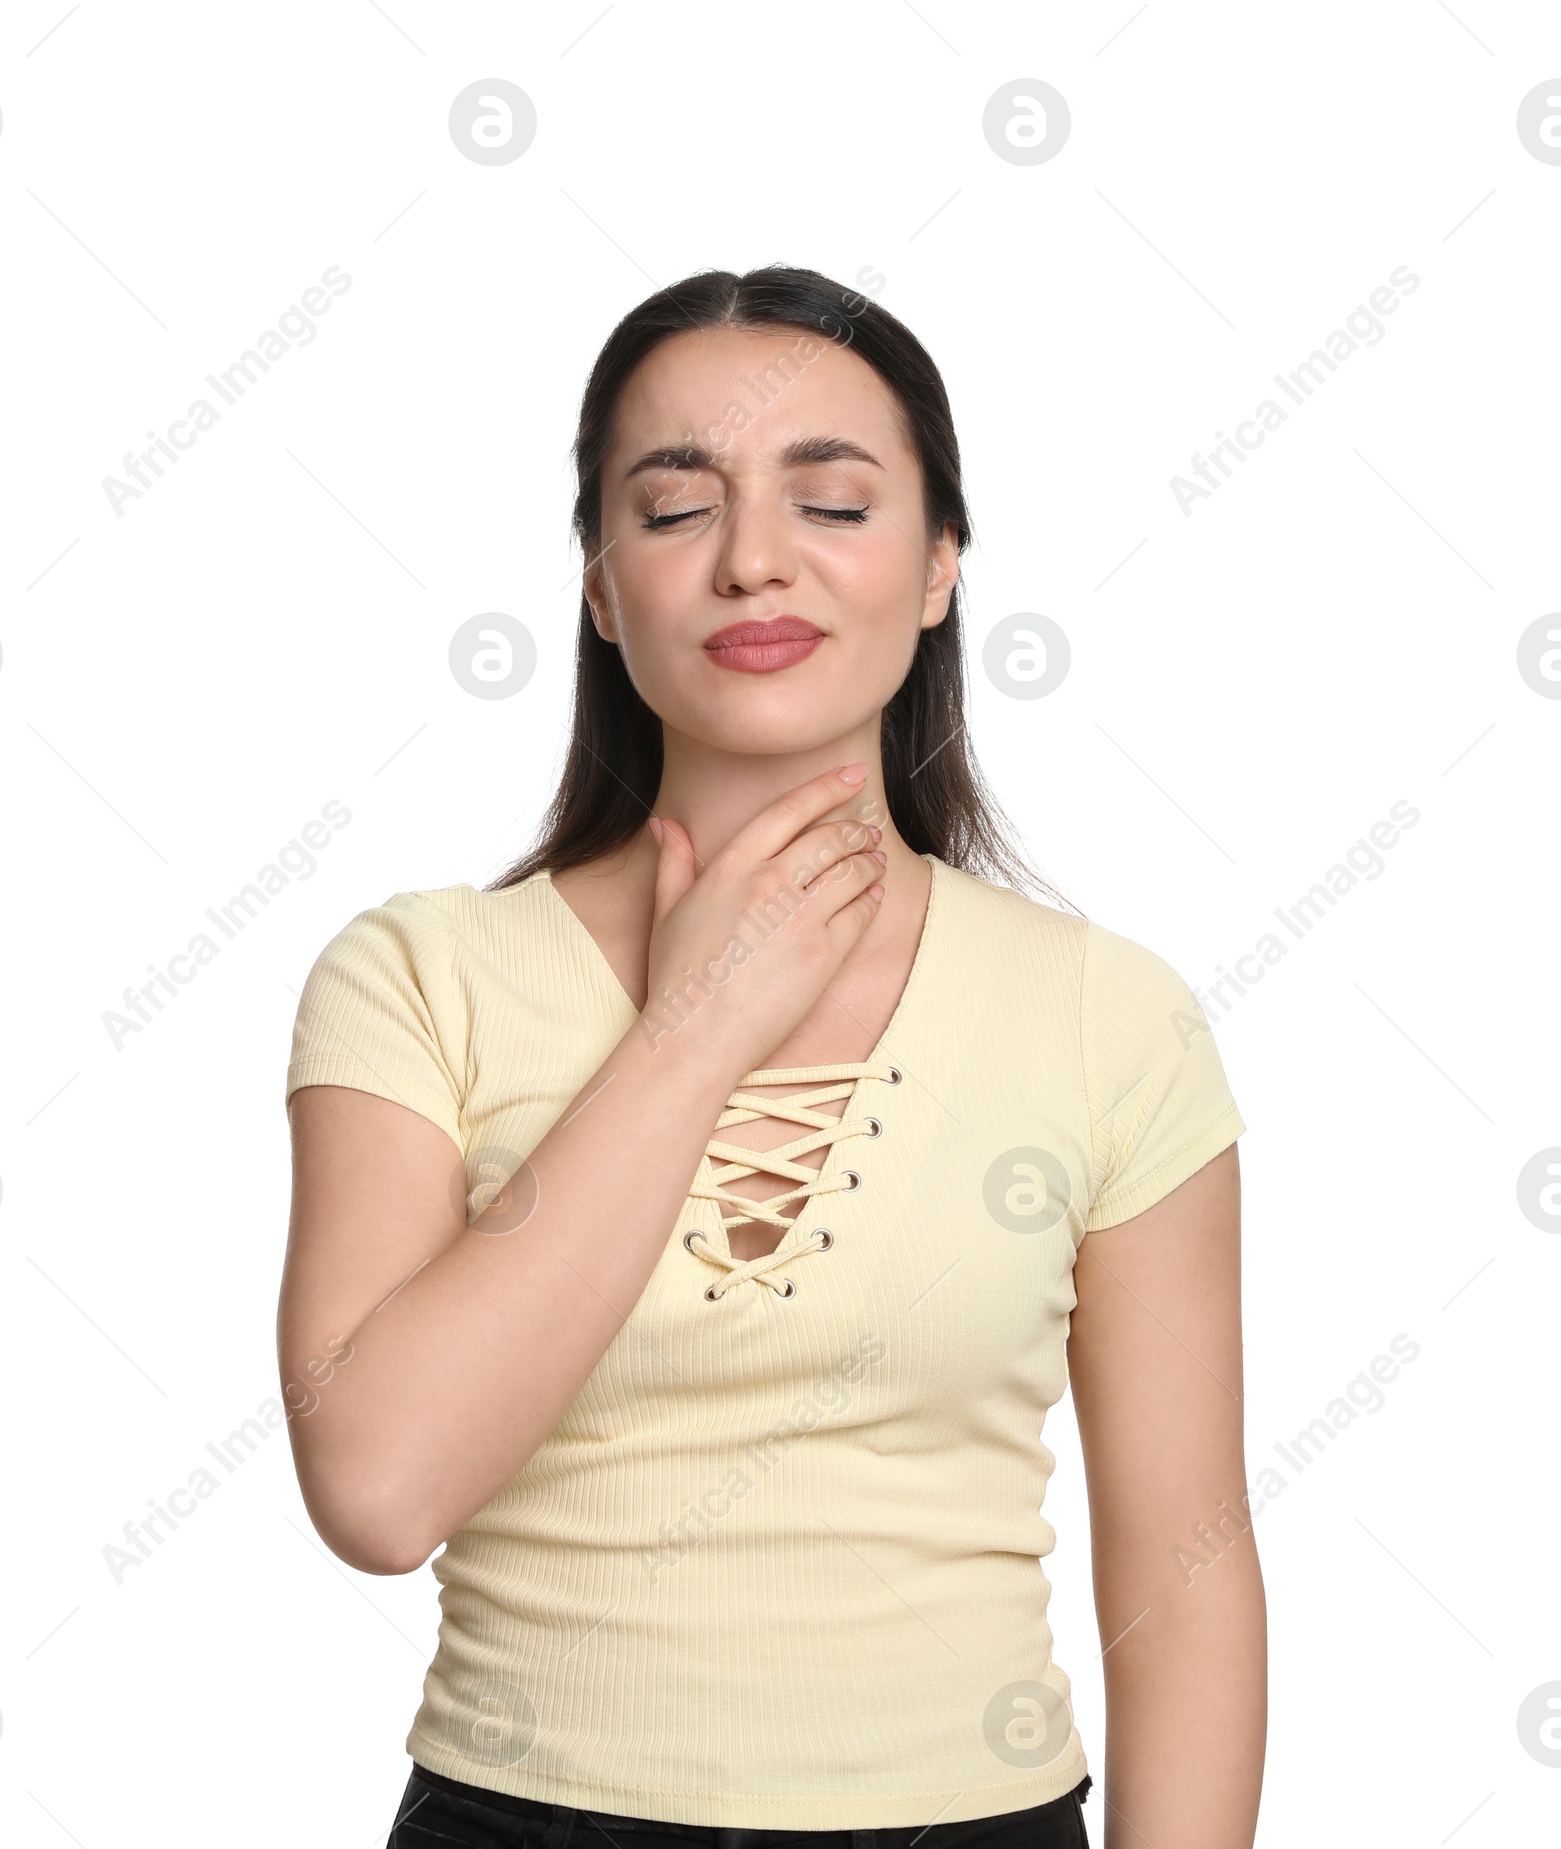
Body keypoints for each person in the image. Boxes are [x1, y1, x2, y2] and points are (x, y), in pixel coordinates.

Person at [279, 266, 1267, 1849]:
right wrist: (696, 1027)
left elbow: (1181, 1569)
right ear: (601, 583)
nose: (753, 560)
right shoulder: (419, 978)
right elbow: (381, 1487)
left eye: (833, 502)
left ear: (942, 565)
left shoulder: (1109, 1015)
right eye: (675, 511)